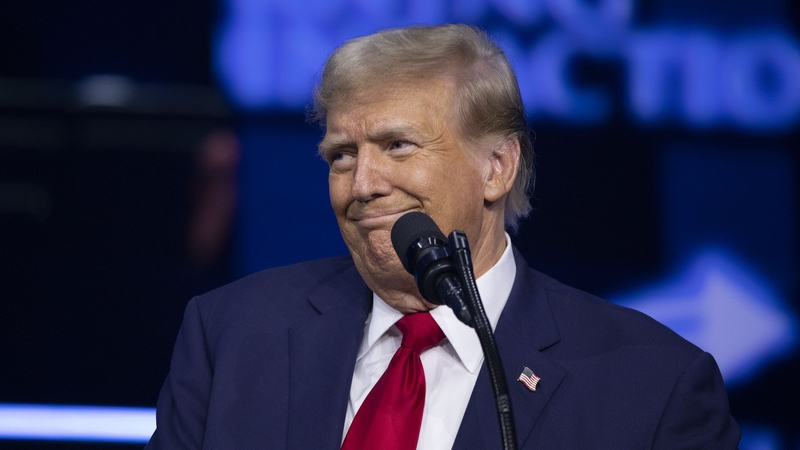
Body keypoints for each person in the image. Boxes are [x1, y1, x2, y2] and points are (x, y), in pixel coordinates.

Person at [145, 24, 740, 449]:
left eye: (398, 146)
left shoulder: (653, 385)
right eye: (343, 156)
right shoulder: (231, 334)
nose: (364, 185)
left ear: (496, 168)